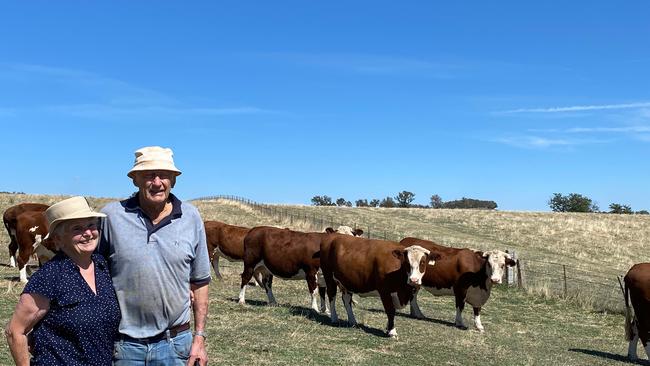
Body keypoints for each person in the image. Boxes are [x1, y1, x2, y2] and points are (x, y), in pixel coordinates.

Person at [99, 146, 211, 366]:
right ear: (135, 180)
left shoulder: (191, 217)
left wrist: (199, 337)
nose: (157, 182)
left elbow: (200, 282)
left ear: (174, 180)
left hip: (176, 344)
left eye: (164, 175)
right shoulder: (111, 216)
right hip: (124, 346)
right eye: (149, 175)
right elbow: (92, 273)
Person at [5, 196, 121, 366]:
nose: (88, 233)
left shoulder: (102, 266)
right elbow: (15, 331)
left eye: (91, 225)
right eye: (77, 228)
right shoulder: (49, 276)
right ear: (58, 239)